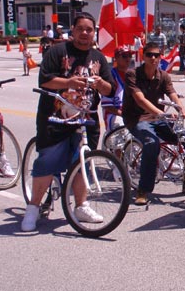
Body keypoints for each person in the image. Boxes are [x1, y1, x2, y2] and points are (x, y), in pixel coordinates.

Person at [21, 12, 116, 232]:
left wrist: (101, 83)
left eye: (89, 30)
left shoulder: (98, 57)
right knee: (47, 162)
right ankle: (33, 208)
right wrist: (69, 81)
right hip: (55, 119)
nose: (84, 33)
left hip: (87, 120)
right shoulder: (57, 51)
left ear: (94, 33)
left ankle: (81, 205)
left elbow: (110, 88)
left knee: (82, 163)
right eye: (80, 29)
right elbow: (45, 80)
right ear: (72, 31)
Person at [122, 41, 185, 205]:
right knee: (151, 143)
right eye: (149, 55)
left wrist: (181, 110)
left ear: (161, 57)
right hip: (137, 119)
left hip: (158, 119)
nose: (153, 58)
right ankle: (143, 190)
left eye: (157, 55)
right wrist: (161, 113)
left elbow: (172, 94)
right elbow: (140, 100)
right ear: (143, 56)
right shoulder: (132, 74)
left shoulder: (163, 76)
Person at [101, 46, 133, 132]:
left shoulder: (133, 76)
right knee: (121, 126)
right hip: (114, 114)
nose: (128, 59)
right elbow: (107, 106)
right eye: (124, 56)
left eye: (129, 55)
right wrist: (124, 114)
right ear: (116, 58)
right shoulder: (110, 76)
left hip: (131, 114)